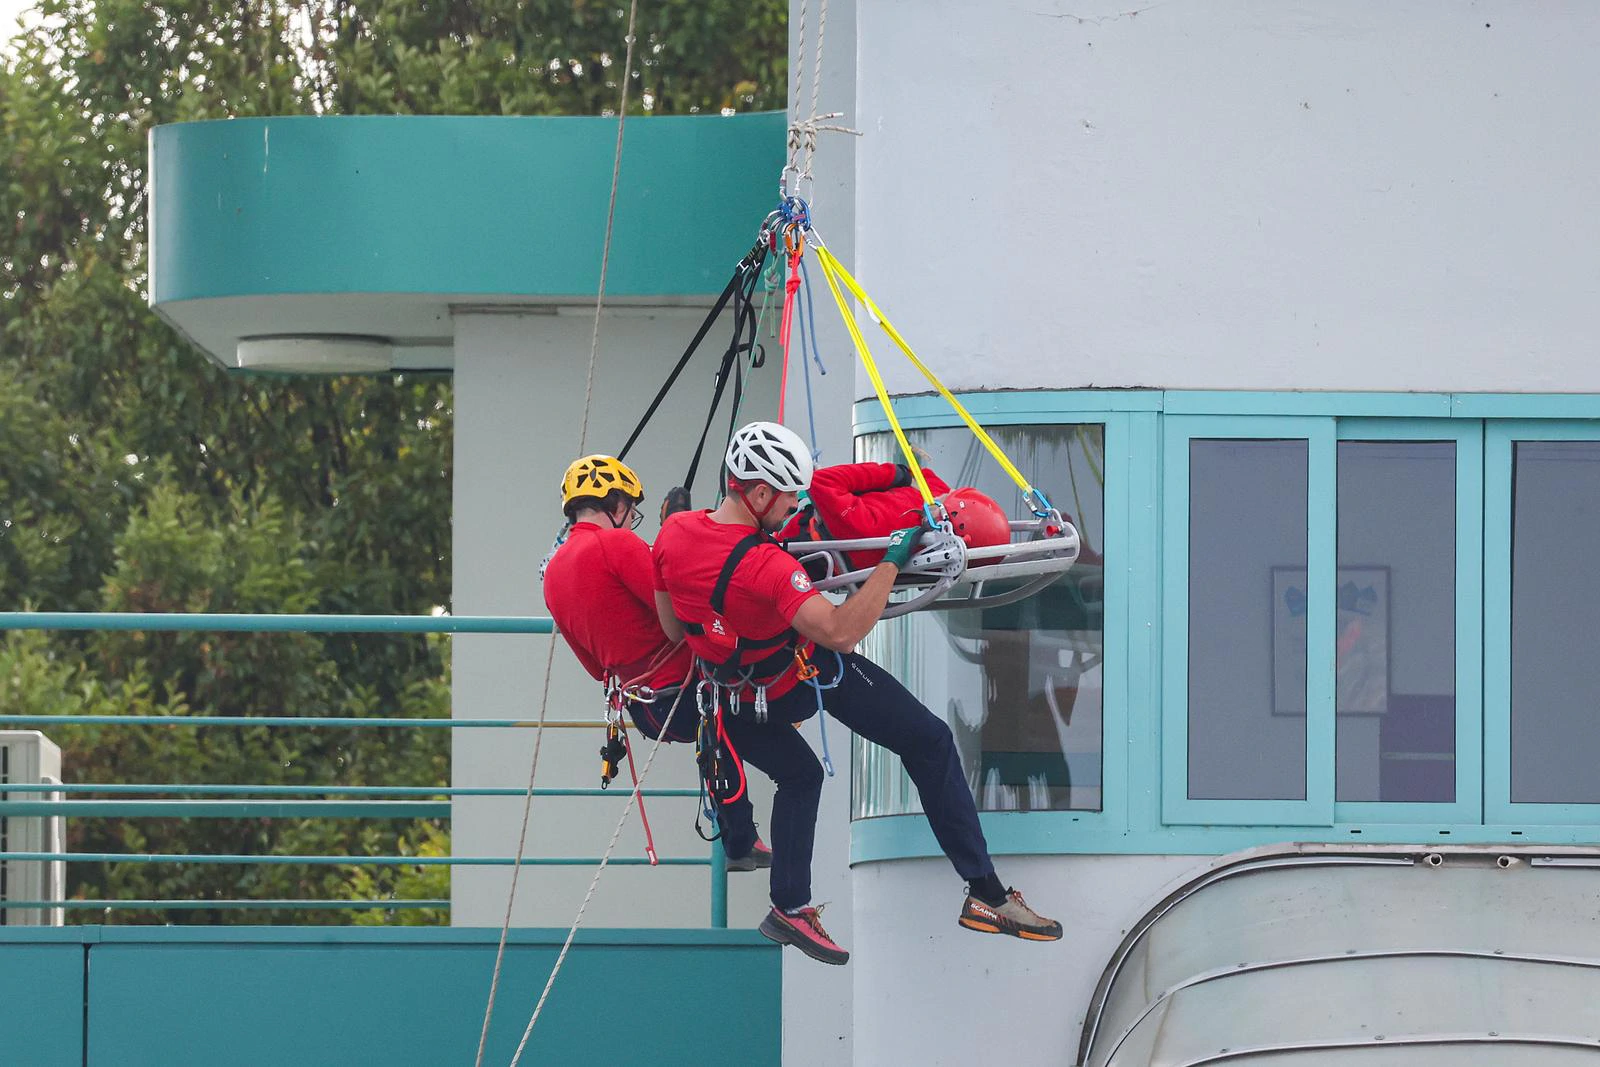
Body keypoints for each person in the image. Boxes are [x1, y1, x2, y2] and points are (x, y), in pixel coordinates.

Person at [653, 422, 1062, 967]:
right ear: (756, 494)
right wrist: (893, 560)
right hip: (795, 678)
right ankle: (987, 896)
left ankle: (789, 906)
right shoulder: (767, 566)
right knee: (931, 743)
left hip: (733, 698)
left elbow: (675, 630)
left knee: (801, 776)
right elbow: (842, 631)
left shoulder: (673, 533)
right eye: (788, 496)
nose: (796, 504)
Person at [542, 454, 770, 871]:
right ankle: (741, 838)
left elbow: (596, 669)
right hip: (690, 690)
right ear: (616, 505)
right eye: (629, 510)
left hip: (644, 710)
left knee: (718, 730)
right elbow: (679, 600)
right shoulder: (616, 544)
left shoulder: (552, 573)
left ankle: (740, 837)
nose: (630, 520)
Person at [777, 460, 1012, 572]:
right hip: (821, 526)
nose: (940, 496)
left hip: (799, 541)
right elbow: (927, 480)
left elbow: (820, 481)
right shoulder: (937, 504)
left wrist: (895, 475)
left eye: (942, 502)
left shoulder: (873, 528)